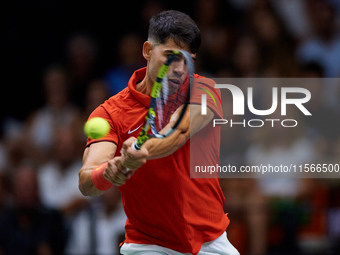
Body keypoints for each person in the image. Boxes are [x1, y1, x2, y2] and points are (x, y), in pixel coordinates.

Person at [78, 10, 239, 255]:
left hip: (211, 241)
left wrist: (140, 151)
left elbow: (179, 131)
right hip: (149, 245)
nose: (178, 68)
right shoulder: (110, 113)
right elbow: (86, 181)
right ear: (147, 50)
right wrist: (107, 172)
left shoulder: (205, 90)